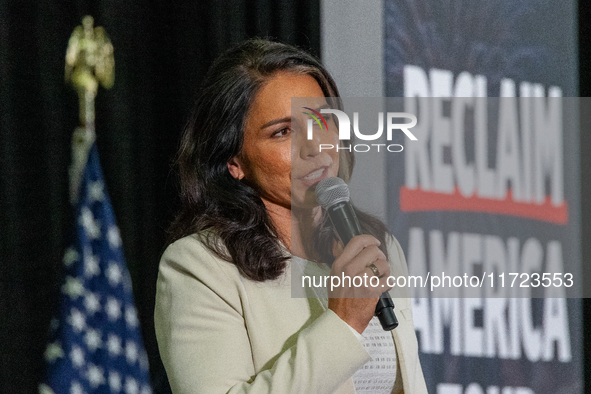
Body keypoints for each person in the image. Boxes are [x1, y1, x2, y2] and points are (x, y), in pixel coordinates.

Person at [154, 38, 427, 394]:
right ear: (234, 162)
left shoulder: (377, 246)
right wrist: (342, 323)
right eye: (283, 132)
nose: (315, 147)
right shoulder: (199, 267)